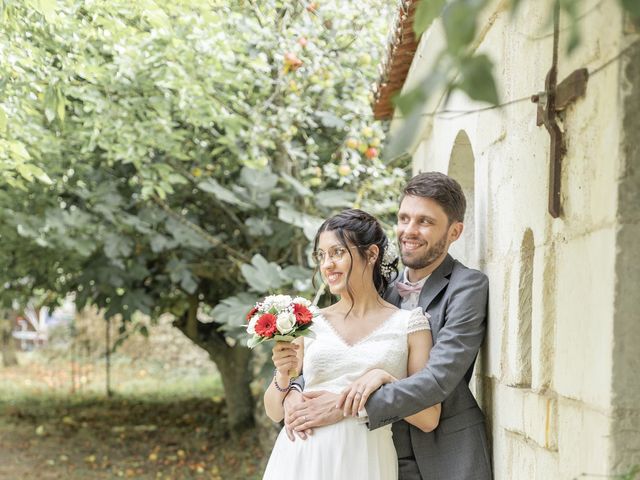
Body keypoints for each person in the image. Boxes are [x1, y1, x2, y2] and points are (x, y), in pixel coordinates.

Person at [280, 172, 492, 480]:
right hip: (376, 455)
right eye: (404, 218)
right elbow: (337, 354)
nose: (409, 230)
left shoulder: (467, 286)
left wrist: (344, 405)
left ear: (454, 231)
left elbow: (438, 377)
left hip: (445, 453)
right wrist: (295, 391)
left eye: (425, 222)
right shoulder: (379, 291)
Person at [262, 209, 441, 480]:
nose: (327, 265)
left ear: (371, 254)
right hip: (300, 458)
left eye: (337, 252)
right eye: (321, 256)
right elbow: (275, 411)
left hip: (365, 460)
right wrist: (283, 375)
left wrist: (384, 379)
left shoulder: (410, 324)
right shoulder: (309, 322)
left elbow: (429, 417)